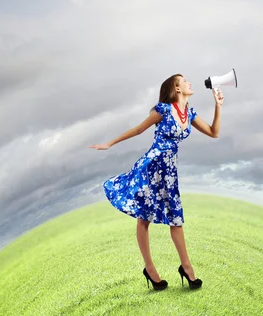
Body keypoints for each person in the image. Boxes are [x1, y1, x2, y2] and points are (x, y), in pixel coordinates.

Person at [89, 73, 223, 291]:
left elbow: (214, 132)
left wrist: (218, 105)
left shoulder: (189, 113)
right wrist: (110, 143)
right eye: (185, 80)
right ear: (177, 88)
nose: (190, 82)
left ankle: (187, 268)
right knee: (144, 218)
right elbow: (138, 129)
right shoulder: (162, 110)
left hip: (169, 172)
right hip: (151, 167)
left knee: (176, 219)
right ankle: (150, 269)